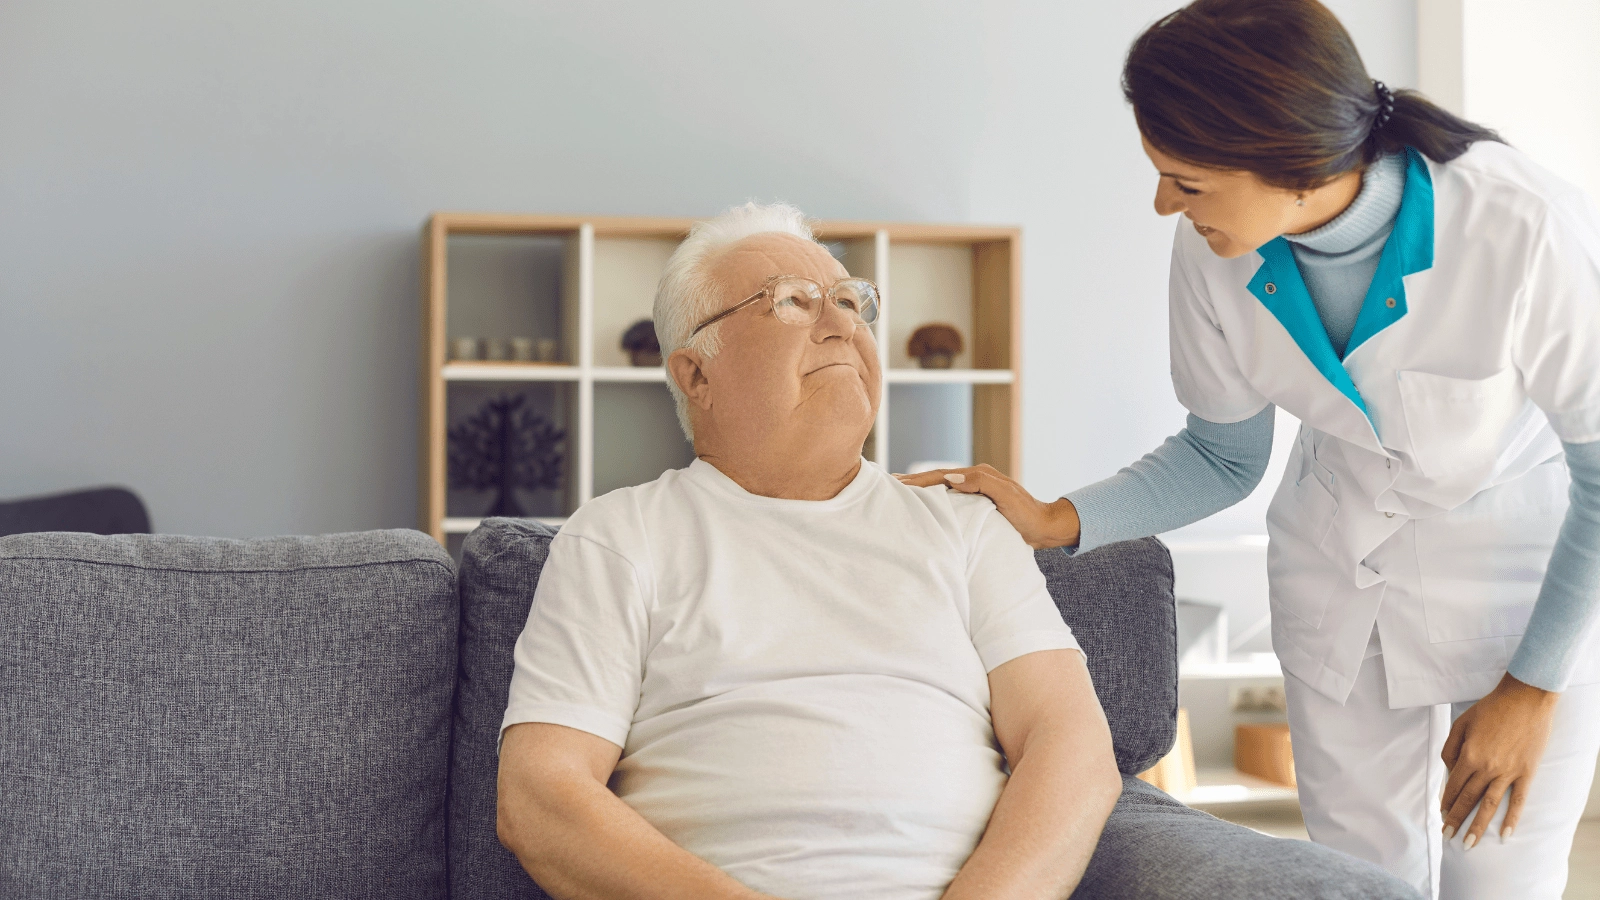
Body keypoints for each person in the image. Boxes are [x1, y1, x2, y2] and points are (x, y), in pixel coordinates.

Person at [899, 2, 1600, 898]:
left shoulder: (1520, 225)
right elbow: (1223, 457)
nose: (1164, 205)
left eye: (1185, 182)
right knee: (1355, 879)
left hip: (1523, 590)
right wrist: (1055, 519)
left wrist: (1534, 688)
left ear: (1294, 163)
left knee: (1501, 878)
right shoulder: (1214, 250)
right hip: (1342, 580)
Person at [494, 202, 1122, 900]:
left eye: (853, 301)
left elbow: (1073, 749)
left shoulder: (966, 528)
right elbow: (540, 797)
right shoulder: (620, 535)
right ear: (697, 375)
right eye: (793, 302)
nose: (843, 323)